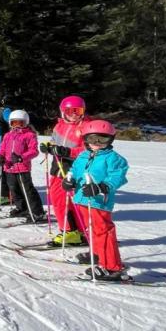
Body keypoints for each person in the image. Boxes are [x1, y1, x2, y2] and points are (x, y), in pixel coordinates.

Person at [62, 119, 129, 281]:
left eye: (102, 139)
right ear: (85, 139)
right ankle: (97, 254)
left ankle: (112, 267)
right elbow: (74, 170)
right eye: (92, 139)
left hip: (99, 201)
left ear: (111, 139)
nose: (97, 143)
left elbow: (118, 176)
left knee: (103, 232)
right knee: (91, 230)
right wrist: (69, 180)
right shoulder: (83, 155)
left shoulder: (114, 158)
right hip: (82, 199)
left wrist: (102, 187)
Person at [40, 95, 92, 245]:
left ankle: (73, 231)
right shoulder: (59, 126)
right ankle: (73, 230)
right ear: (63, 111)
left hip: (75, 169)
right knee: (57, 199)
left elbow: (89, 150)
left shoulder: (86, 127)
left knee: (71, 201)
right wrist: (48, 147)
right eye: (70, 111)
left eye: (78, 111)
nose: (74, 114)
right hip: (58, 167)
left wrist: (68, 152)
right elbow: (54, 142)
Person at [0, 110, 45, 223]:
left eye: (20, 123)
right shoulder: (8, 135)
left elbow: (34, 151)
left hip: (22, 168)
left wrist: (21, 157)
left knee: (27, 190)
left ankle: (37, 212)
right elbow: (2, 148)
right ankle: (22, 208)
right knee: (14, 190)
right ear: (10, 123)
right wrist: (0, 156)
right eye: (14, 123)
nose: (17, 125)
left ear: (26, 123)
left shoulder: (30, 135)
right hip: (9, 167)